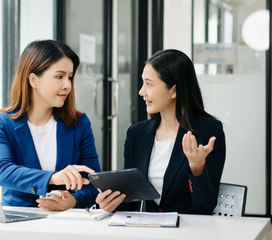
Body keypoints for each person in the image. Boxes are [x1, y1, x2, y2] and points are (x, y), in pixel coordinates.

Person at [96, 49, 226, 214]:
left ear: (173, 90)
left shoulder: (208, 132)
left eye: (149, 84)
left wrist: (197, 168)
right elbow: (130, 202)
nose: (142, 92)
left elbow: (205, 206)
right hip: (147, 230)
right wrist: (110, 203)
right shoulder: (136, 134)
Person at [0, 40, 101, 211]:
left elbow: (93, 185)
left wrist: (73, 201)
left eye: (70, 77)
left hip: (64, 224)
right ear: (33, 80)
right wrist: (53, 178)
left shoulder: (79, 123)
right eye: (59, 76)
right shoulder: (0, 123)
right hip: (18, 221)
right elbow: (3, 172)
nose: (67, 85)